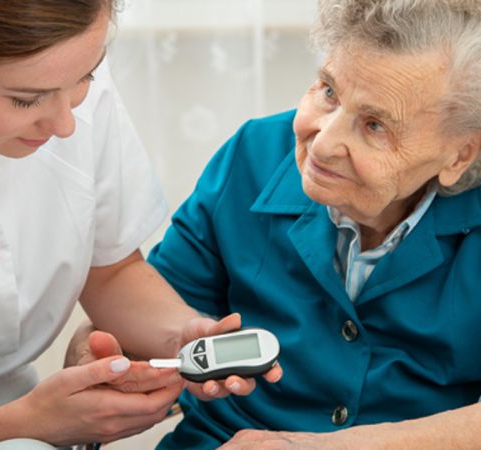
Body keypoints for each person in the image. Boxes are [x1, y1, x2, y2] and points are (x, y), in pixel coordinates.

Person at [0, 1, 282, 448]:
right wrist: (23, 423)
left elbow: (110, 270)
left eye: (86, 77)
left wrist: (180, 335)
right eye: (24, 99)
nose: (65, 124)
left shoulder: (61, 71)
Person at [143, 0, 481, 448]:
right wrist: (106, 352)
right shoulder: (254, 154)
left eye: (375, 125)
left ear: (459, 154)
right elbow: (156, 315)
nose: (323, 145)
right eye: (328, 92)